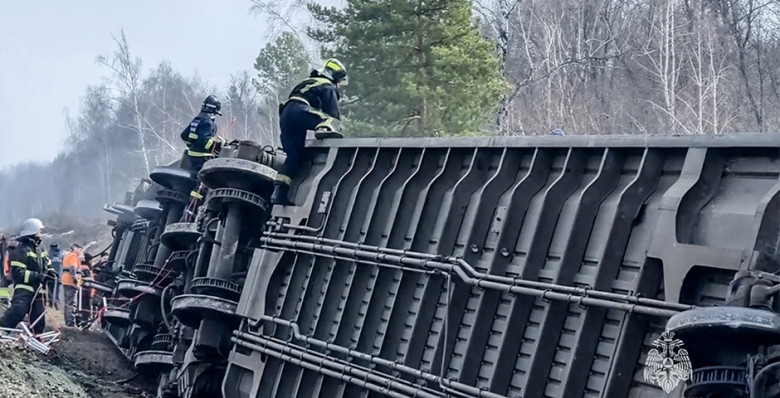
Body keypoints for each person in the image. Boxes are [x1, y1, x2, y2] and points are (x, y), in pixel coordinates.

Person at [271, 58, 348, 206]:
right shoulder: (328, 85)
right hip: (300, 110)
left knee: (294, 157)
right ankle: (324, 129)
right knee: (333, 121)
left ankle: (278, 194)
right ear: (336, 77)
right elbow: (333, 112)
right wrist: (337, 133)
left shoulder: (309, 81)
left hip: (286, 114)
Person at [0, 218, 56, 334]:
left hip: (39, 291)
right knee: (18, 311)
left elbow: (48, 265)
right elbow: (18, 273)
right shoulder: (20, 251)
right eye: (39, 231)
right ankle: (2, 332)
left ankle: (37, 338)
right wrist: (38, 276)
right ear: (33, 231)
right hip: (24, 289)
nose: (41, 234)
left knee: (39, 317)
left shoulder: (42, 250)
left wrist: (51, 272)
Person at [180, 95, 228, 176]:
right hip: (202, 157)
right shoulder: (208, 123)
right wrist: (219, 145)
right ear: (214, 111)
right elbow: (204, 141)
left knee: (194, 177)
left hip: (191, 154)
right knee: (204, 179)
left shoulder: (196, 119)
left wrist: (191, 145)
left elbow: (184, 135)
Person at [61, 243, 83, 327]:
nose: (81, 252)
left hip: (66, 281)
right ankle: (70, 323)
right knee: (71, 303)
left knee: (67, 303)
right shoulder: (73, 256)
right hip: (71, 282)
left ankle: (68, 321)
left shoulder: (67, 256)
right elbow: (73, 268)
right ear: (75, 248)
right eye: (80, 250)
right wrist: (75, 281)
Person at [46, 242, 63, 309]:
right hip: (58, 275)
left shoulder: (48, 255)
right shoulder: (61, 255)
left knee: (50, 290)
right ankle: (56, 303)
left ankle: (51, 304)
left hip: (49, 275)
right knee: (57, 291)